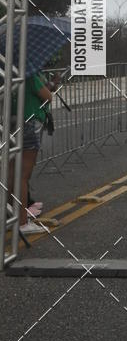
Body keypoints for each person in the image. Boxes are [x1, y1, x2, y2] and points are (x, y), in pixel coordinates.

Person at [10, 73, 54, 234]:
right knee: (22, 175)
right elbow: (47, 96)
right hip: (29, 122)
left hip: (12, 121)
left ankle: (11, 217)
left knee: (11, 173)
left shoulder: (9, 74)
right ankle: (22, 222)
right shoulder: (29, 75)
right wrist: (50, 86)